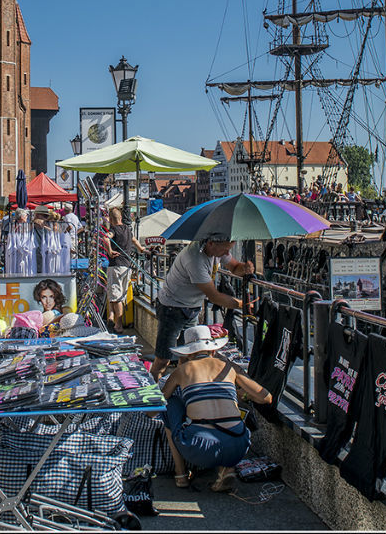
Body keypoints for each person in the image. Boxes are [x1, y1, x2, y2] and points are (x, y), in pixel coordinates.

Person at [162, 325, 272, 492]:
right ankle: (227, 468)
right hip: (239, 445)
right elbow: (266, 397)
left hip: (200, 448)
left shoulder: (182, 371)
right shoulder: (229, 367)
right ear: (213, 350)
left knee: (170, 404)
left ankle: (181, 474)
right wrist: (242, 394)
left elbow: (161, 400)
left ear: (188, 353)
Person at [149, 238, 254, 379]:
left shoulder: (216, 249)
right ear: (211, 243)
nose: (227, 253)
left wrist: (245, 268)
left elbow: (235, 268)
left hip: (191, 308)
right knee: (163, 359)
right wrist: (243, 304)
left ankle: (181, 387)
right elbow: (214, 297)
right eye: (225, 249)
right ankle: (154, 389)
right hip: (172, 308)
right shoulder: (195, 259)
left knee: (188, 357)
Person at [105, 207, 141, 333]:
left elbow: (106, 238)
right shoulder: (127, 229)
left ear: (111, 220)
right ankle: (112, 318)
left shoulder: (113, 229)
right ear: (121, 218)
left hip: (116, 266)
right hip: (127, 267)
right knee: (120, 295)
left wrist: (110, 251)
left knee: (116, 297)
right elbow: (134, 240)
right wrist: (142, 249)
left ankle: (118, 325)